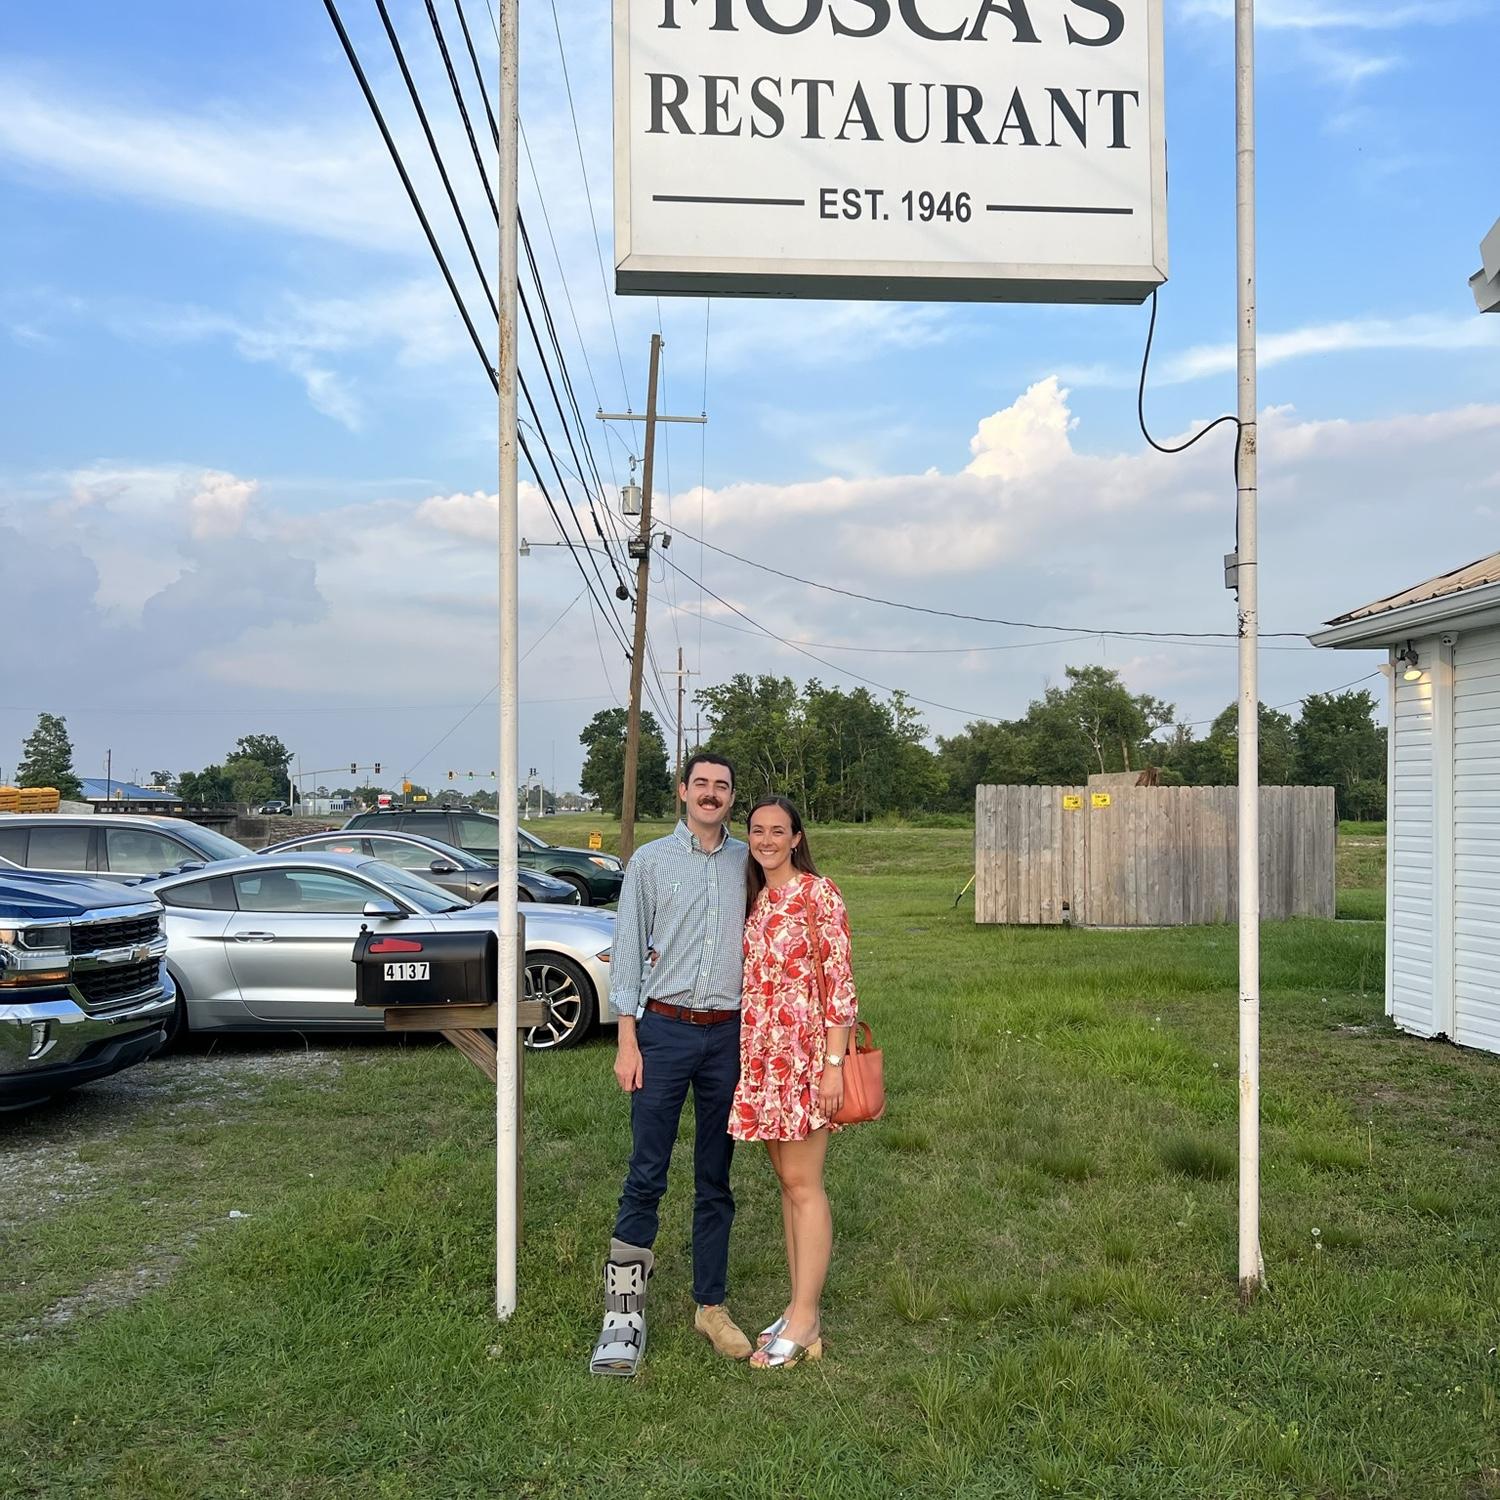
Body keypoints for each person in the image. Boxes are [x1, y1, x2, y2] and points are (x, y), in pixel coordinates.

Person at [590, 753, 754, 1377]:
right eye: (701, 784)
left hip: (726, 1036)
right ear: (683, 791)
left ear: (731, 797)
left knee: (715, 1176)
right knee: (647, 1172)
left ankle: (711, 1306)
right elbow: (629, 950)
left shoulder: (748, 863)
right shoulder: (651, 863)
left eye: (722, 786)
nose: (711, 794)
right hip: (662, 1032)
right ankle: (623, 1315)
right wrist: (626, 1039)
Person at [729, 796, 857, 1371]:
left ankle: (806, 1321)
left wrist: (832, 1065)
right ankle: (797, 1306)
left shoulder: (817, 894)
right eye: (757, 830)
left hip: (805, 1060)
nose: (767, 840)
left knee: (805, 1185)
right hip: (763, 1059)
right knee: (787, 1184)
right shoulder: (757, 898)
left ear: (797, 838)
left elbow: (840, 984)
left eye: (778, 831)